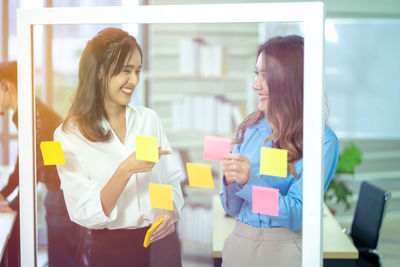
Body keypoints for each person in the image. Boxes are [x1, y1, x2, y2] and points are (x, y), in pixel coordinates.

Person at [54, 27, 184, 267]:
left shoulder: (149, 119)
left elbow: (170, 179)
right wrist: (125, 170)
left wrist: (167, 211)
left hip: (162, 245)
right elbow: (83, 211)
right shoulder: (69, 135)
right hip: (113, 251)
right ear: (101, 72)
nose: (134, 81)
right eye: (126, 71)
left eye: (137, 71)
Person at [219, 35, 339, 267]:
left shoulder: (321, 141)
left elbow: (296, 213)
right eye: (257, 74)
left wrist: (249, 183)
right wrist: (231, 180)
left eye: (266, 76)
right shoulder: (249, 129)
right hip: (238, 243)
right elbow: (232, 208)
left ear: (291, 80)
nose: (256, 85)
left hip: (283, 250)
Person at [0, 61, 81, 267]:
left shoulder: (31, 114)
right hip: (60, 185)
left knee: (61, 256)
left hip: (62, 187)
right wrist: (6, 192)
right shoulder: (30, 110)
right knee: (61, 252)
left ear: (6, 86)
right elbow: (26, 159)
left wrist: (13, 202)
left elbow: (34, 164)